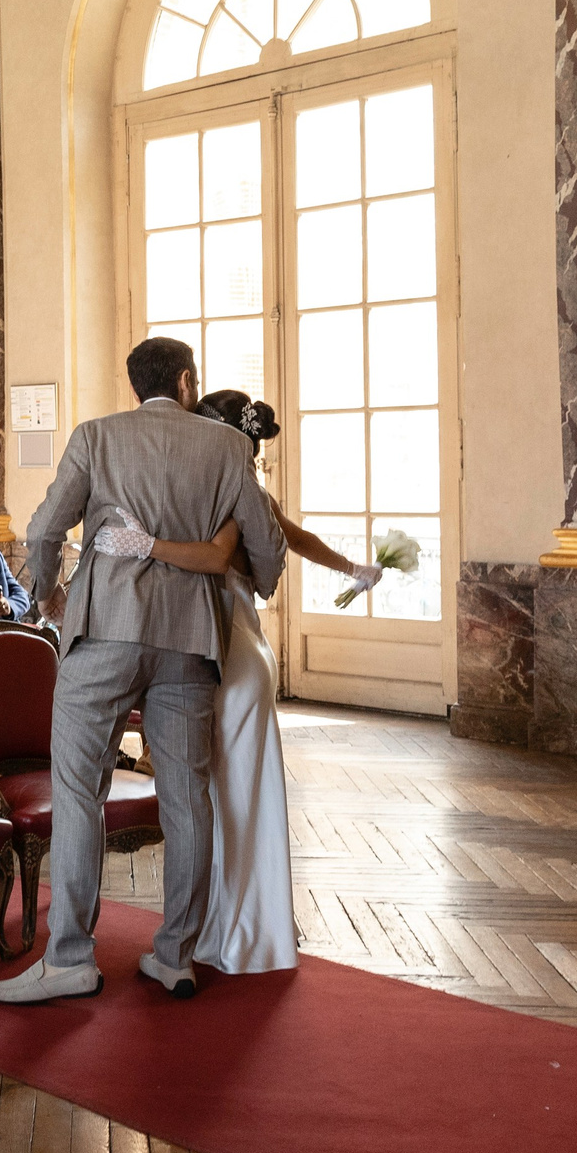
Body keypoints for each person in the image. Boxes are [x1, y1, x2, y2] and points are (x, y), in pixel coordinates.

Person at [0, 335, 283, 1005]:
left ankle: (69, 957)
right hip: (189, 639)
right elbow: (265, 544)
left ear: (136, 386)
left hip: (104, 630)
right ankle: (174, 953)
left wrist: (49, 595)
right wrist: (257, 590)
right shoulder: (229, 447)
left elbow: (43, 530)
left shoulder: (97, 436)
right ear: (186, 381)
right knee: (187, 798)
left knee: (77, 791)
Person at [89, 388, 376, 977]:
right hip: (247, 646)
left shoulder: (215, 496)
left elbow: (218, 558)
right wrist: (353, 569)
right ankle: (247, 923)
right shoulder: (244, 489)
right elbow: (291, 538)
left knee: (218, 796)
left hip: (225, 651)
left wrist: (145, 545)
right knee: (233, 793)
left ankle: (230, 930)